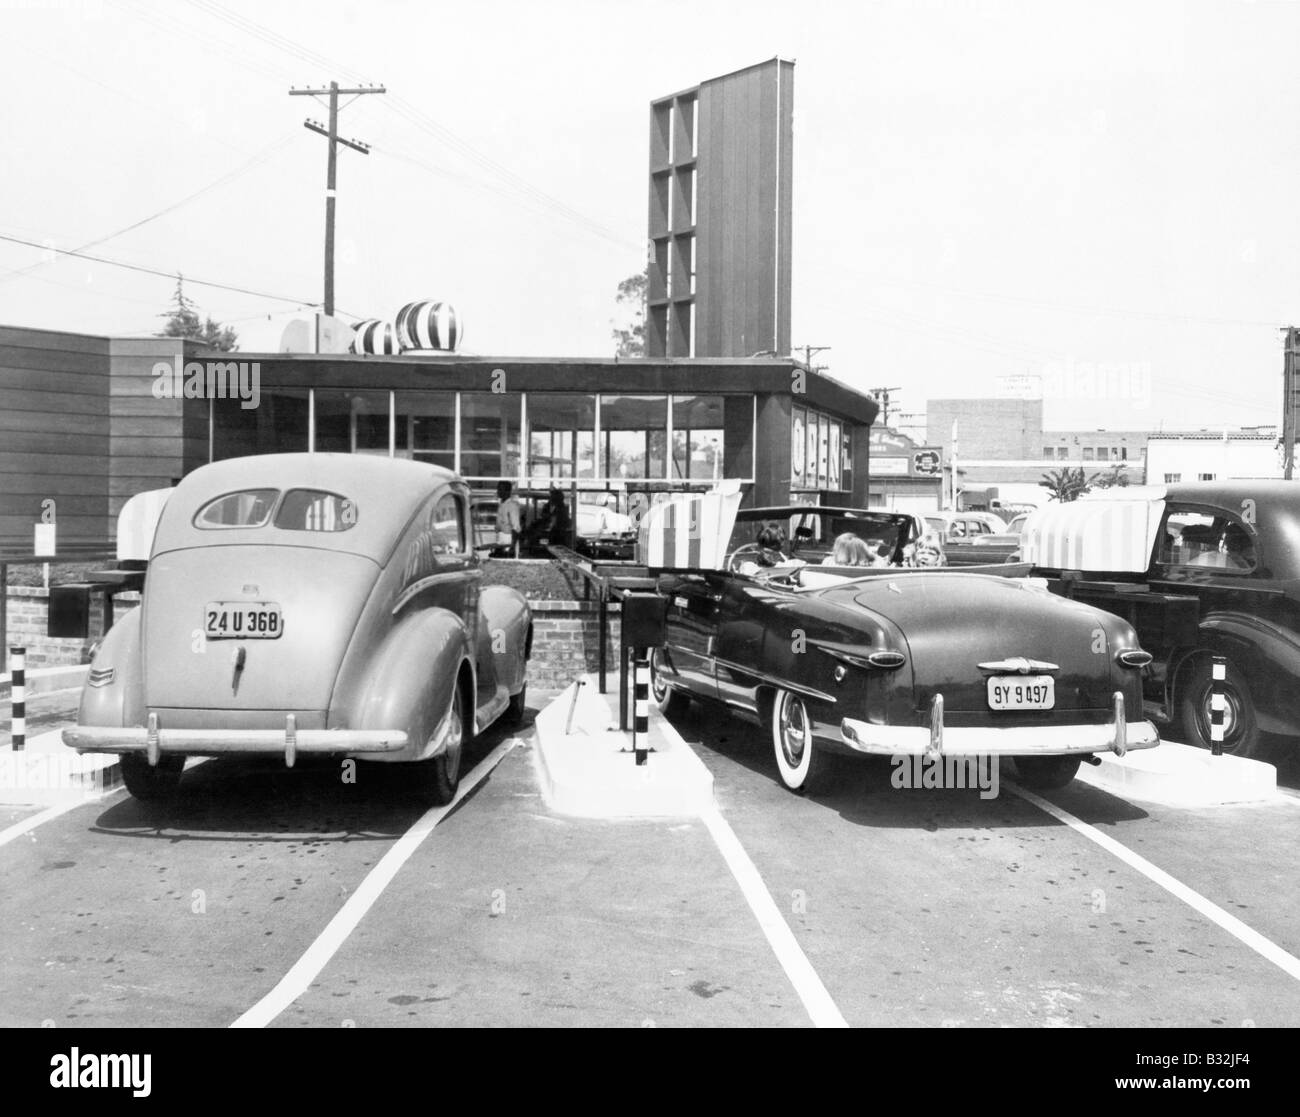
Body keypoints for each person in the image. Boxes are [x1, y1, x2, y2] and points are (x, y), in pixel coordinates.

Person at [494, 480, 523, 557]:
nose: (498, 491)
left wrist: (512, 546)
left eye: (500, 489)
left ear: (508, 491)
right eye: (498, 489)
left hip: (508, 538)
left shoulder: (512, 505)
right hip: (500, 537)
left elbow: (515, 528)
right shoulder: (501, 504)